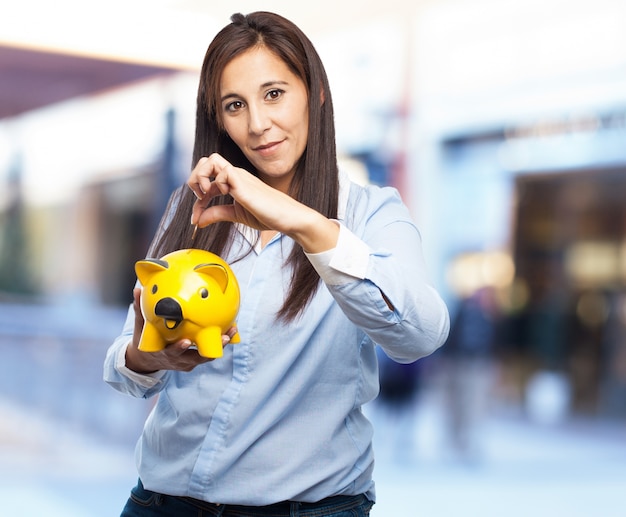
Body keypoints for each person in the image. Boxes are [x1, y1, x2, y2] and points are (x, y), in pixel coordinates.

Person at [104, 11, 449, 517]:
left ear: (316, 93)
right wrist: (147, 357)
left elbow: (421, 334)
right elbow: (125, 366)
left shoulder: (371, 214)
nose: (258, 124)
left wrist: (301, 222)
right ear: (217, 118)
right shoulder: (193, 208)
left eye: (274, 94)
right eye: (235, 105)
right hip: (162, 503)